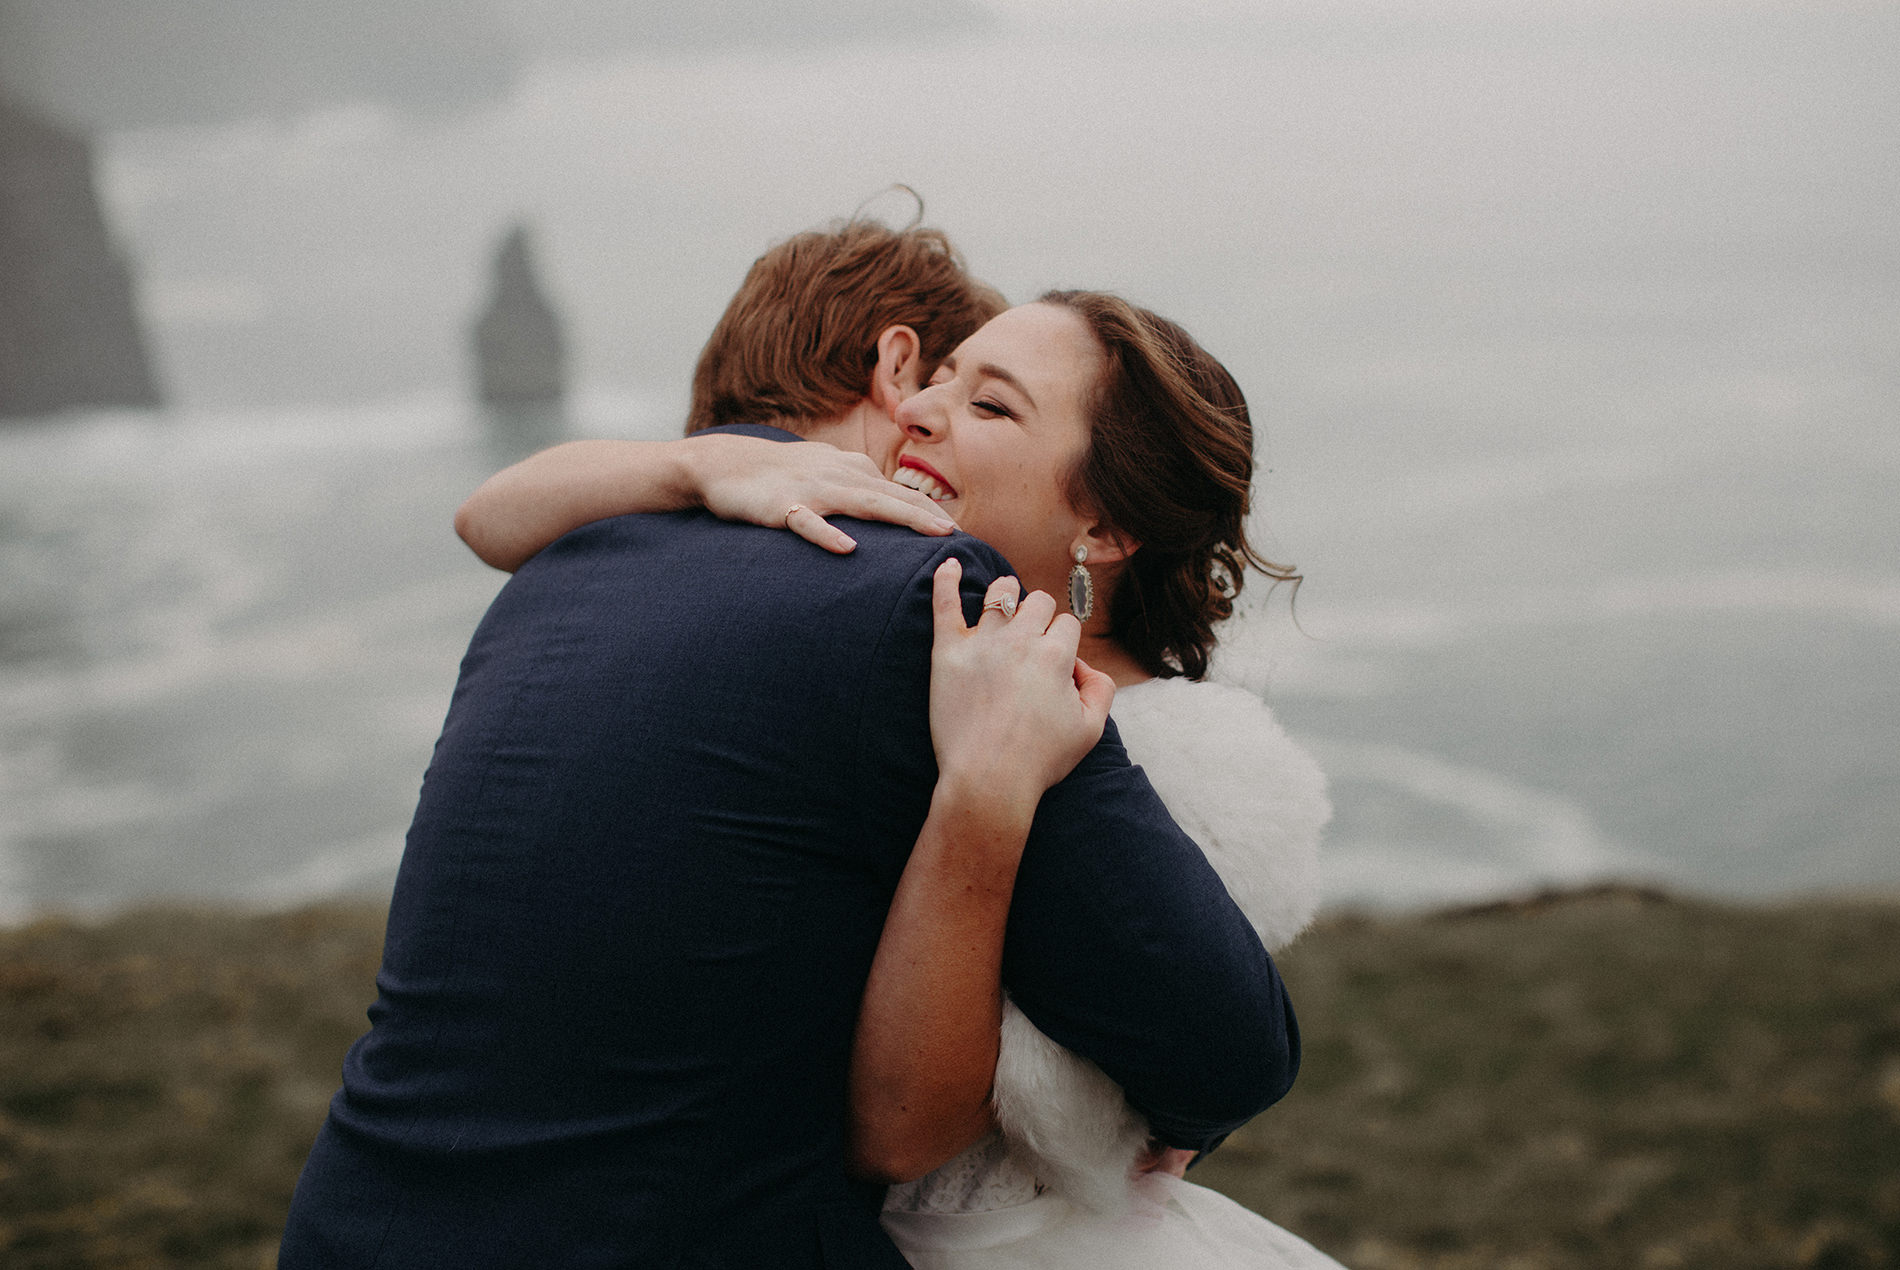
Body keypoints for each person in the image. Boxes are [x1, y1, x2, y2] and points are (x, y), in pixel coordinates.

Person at [278, 219, 1299, 1269]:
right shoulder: (937, 604)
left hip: (350, 1224)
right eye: (945, 382)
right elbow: (1229, 1048)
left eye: (989, 402)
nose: (930, 420)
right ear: (895, 370)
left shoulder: (559, 563)